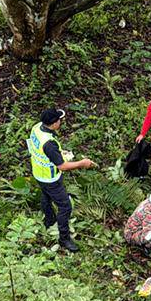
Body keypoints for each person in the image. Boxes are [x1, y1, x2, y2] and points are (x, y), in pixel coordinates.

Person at [27, 108, 95, 253]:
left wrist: (58, 154)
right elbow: (62, 166)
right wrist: (82, 163)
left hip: (38, 173)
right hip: (50, 179)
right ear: (53, 123)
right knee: (65, 207)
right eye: (59, 120)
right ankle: (64, 238)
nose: (61, 122)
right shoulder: (49, 143)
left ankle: (49, 221)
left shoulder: (37, 128)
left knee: (46, 197)